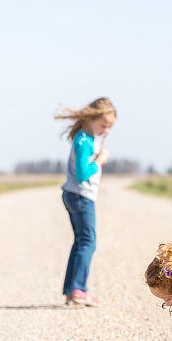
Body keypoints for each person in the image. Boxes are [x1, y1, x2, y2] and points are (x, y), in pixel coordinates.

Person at [55, 97, 116, 307]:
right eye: (103, 125)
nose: (105, 130)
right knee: (88, 242)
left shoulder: (84, 138)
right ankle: (79, 289)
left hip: (74, 195)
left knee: (80, 241)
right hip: (81, 196)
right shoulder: (84, 140)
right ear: (91, 118)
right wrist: (99, 161)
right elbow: (82, 174)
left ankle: (72, 290)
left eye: (109, 127)